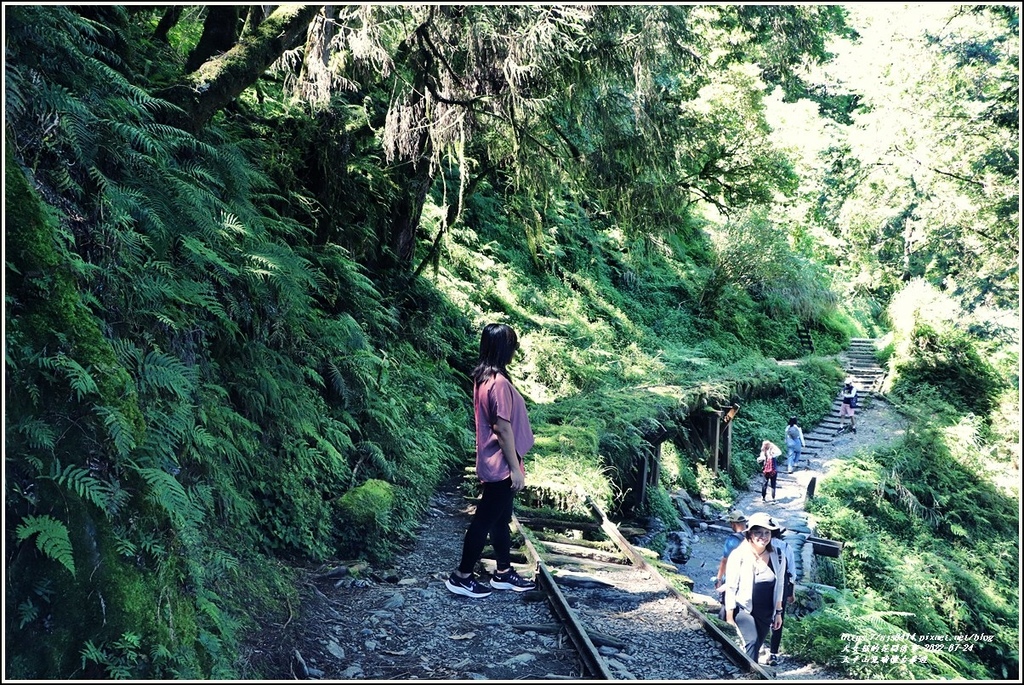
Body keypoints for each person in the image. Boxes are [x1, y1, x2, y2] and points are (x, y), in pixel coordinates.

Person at [446, 323, 538, 598]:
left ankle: (503, 573)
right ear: (503, 348)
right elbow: (502, 429)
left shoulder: (484, 378)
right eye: (513, 345)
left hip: (494, 461)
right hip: (500, 464)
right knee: (484, 521)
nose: (515, 349)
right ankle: (461, 576)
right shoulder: (497, 383)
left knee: (500, 519)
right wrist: (514, 469)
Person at [722, 512, 787, 664]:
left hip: (766, 612)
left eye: (767, 533)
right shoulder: (739, 554)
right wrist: (730, 618)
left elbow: (780, 585)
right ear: (750, 533)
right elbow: (731, 587)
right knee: (751, 642)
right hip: (743, 608)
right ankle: (750, 676)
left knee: (756, 647)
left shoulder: (778, 555)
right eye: (758, 532)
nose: (763, 536)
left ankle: (747, 671)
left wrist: (778, 613)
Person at [767, 526, 797, 666]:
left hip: (763, 586)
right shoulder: (786, 547)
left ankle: (756, 647)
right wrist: (791, 593)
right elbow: (791, 573)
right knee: (778, 619)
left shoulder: (760, 545)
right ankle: (773, 653)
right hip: (782, 588)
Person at [714, 510, 748, 618]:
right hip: (747, 579)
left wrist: (718, 579)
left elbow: (724, 561)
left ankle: (725, 625)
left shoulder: (732, 540)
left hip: (732, 578)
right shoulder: (752, 536)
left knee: (727, 604)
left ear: (733, 524)